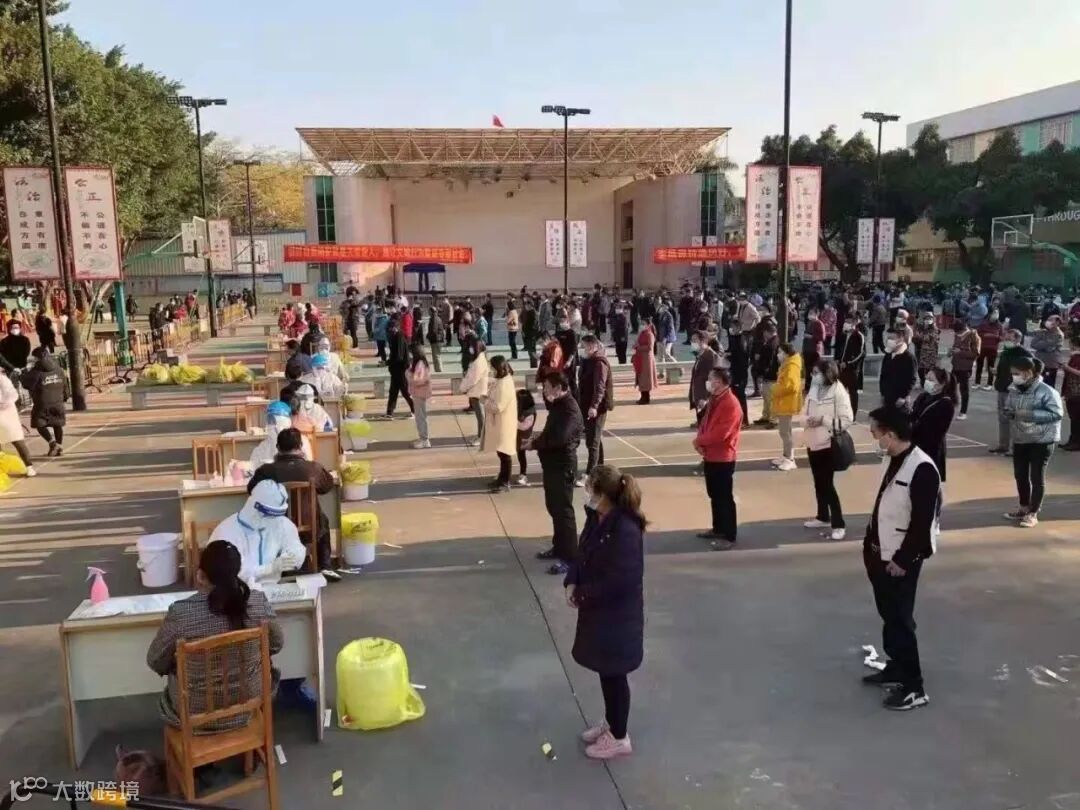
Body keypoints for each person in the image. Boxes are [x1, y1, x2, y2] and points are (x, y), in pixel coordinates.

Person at [147, 540, 284, 729]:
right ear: (237, 571)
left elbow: (155, 661)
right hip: (249, 705)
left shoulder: (181, 613)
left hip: (194, 714)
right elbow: (276, 644)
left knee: (173, 687)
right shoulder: (257, 603)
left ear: (201, 575)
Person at [564, 464, 645, 760]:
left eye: (590, 490)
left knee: (614, 674)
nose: (587, 495)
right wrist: (572, 581)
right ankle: (612, 722)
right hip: (600, 613)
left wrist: (583, 595)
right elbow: (582, 552)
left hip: (618, 616)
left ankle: (620, 737)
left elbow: (621, 580)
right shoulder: (597, 517)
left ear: (605, 494)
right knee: (605, 671)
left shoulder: (625, 529)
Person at [863, 404, 941, 711]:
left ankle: (914, 687)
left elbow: (923, 523)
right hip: (879, 553)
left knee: (901, 621)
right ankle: (895, 666)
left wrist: (903, 560)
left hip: (899, 560)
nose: (874, 438)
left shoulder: (922, 469)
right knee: (889, 616)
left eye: (875, 433)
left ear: (891, 435)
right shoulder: (893, 458)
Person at [248, 428, 337, 577]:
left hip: (275, 529)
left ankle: (269, 566)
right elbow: (327, 486)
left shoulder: (266, 471)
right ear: (301, 446)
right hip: (309, 528)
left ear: (277, 448)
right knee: (322, 519)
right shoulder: (313, 468)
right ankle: (325, 565)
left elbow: (252, 490)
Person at [529, 372, 584, 574]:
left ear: (559, 387)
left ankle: (570, 557)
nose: (544, 391)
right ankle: (559, 546)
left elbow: (560, 438)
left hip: (563, 466)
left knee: (564, 511)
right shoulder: (558, 405)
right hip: (552, 465)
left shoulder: (570, 408)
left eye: (547, 387)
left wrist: (535, 444)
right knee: (554, 507)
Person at [208, 479, 307, 584]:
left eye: (276, 516)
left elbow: (294, 546)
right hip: (235, 591)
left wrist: (293, 557)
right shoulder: (226, 532)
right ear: (254, 509)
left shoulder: (280, 523)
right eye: (269, 516)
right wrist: (269, 569)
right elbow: (229, 573)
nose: (273, 520)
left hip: (272, 588)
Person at [1003, 356, 1063, 528]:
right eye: (1013, 373)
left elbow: (1056, 414)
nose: (1014, 376)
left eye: (1017, 373)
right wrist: (1008, 412)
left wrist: (1027, 415)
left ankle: (1033, 512)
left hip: (1042, 440)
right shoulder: (1013, 389)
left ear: (1029, 373)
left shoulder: (1047, 391)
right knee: (1020, 475)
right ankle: (1023, 507)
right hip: (1021, 438)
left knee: (1036, 477)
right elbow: (1009, 406)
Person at [801, 359, 854, 539]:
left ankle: (838, 524)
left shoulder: (839, 392)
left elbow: (846, 420)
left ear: (827, 374)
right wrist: (806, 420)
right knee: (818, 482)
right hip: (813, 442)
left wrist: (823, 420)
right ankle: (822, 516)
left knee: (827, 484)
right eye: (813, 373)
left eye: (817, 373)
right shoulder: (814, 389)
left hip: (828, 443)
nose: (813, 376)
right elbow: (804, 411)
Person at [693, 367, 742, 547]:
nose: (708, 381)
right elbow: (706, 423)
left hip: (723, 457)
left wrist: (699, 441)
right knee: (714, 494)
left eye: (711, 378)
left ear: (719, 382)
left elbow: (722, 433)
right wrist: (701, 441)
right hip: (711, 455)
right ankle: (718, 527)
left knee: (724, 497)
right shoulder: (715, 399)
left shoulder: (731, 404)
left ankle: (729, 535)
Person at [988, 329, 1032, 455]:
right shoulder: (1005, 352)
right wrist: (996, 372)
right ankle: (1003, 445)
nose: (1006, 341)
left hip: (1014, 391)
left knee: (1014, 420)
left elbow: (1031, 371)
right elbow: (1003, 368)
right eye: (1006, 338)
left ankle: (1015, 447)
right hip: (1002, 388)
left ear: (1017, 339)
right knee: (1003, 419)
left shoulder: (1023, 353)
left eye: (1009, 338)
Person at [577, 334, 613, 484]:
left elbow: (600, 387)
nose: (582, 349)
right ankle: (600, 469)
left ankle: (590, 474)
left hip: (597, 408)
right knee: (594, 439)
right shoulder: (588, 361)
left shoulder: (599, 363)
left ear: (592, 346)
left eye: (584, 346)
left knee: (593, 442)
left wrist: (594, 406)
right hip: (586, 405)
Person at [910, 368, 957, 483]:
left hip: (931, 451)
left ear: (941, 384)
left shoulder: (946, 404)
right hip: (915, 447)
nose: (927, 382)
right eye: (926, 378)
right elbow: (913, 416)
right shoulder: (923, 396)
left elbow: (936, 433)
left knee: (927, 484)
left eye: (931, 379)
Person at [21, 347, 69, 457]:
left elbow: (27, 384)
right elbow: (65, 384)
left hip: (42, 403)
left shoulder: (36, 371)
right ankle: (59, 447)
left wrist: (23, 373)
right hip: (58, 402)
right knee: (57, 424)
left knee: (39, 423)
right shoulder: (58, 368)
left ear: (37, 358)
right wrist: (65, 396)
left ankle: (52, 443)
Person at [483, 356, 518, 493]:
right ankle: (501, 479)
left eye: (492, 367)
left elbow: (498, 407)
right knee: (501, 453)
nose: (491, 370)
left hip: (504, 424)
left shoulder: (504, 384)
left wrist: (485, 402)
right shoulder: (501, 381)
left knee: (505, 453)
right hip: (500, 422)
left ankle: (505, 481)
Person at [771, 342, 804, 471]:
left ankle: (790, 459)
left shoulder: (791, 366)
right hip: (784, 402)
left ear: (786, 353)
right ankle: (786, 455)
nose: (778, 354)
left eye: (780, 352)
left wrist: (775, 389)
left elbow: (791, 386)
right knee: (785, 431)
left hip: (787, 403)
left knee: (785, 432)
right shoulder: (788, 364)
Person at [252, 401, 312, 469]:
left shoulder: (301, 441)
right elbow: (253, 468)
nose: (270, 425)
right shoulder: (262, 447)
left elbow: (309, 466)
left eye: (273, 421)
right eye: (269, 421)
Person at [0, 370, 35, 476]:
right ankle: (3, 468)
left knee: (17, 441)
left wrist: (2, 404)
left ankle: (29, 466)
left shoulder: (3, 379)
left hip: (7, 414)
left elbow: (12, 395)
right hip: (6, 414)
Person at [384, 315, 414, 420]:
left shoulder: (399, 337)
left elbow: (399, 356)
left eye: (392, 328)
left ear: (396, 327)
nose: (390, 330)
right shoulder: (395, 337)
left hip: (401, 370)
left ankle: (415, 409)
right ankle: (389, 412)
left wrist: (388, 362)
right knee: (393, 392)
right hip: (395, 370)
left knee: (405, 391)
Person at [949, 319, 980, 420]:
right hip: (956, 366)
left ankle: (963, 412)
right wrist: (951, 352)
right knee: (950, 387)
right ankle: (951, 405)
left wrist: (960, 352)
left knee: (964, 390)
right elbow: (955, 347)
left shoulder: (973, 336)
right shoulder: (957, 335)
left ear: (964, 329)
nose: (957, 335)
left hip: (966, 368)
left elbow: (975, 354)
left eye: (958, 333)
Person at [835, 316, 865, 419]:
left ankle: (852, 415)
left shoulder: (859, 336)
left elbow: (861, 354)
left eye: (848, 322)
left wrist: (848, 363)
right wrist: (838, 359)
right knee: (840, 391)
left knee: (853, 394)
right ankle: (841, 412)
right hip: (842, 369)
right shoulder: (844, 335)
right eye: (845, 322)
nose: (845, 324)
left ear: (854, 323)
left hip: (852, 370)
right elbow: (839, 349)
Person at [879, 327, 917, 409]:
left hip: (900, 400)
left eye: (892, 338)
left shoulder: (909, 357)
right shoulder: (888, 355)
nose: (889, 341)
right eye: (888, 338)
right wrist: (882, 393)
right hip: (887, 396)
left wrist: (903, 396)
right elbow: (883, 375)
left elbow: (912, 379)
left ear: (901, 339)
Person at [461, 340, 490, 446]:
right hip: (477, 391)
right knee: (479, 416)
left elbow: (472, 379)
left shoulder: (479, 362)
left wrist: (463, 388)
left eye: (472, 347)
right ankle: (480, 436)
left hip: (478, 393)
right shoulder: (479, 360)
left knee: (481, 416)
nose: (471, 349)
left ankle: (482, 437)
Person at [689, 331, 720, 425]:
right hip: (699, 396)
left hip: (705, 399)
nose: (692, 343)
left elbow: (712, 379)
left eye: (695, 340)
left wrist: (706, 398)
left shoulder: (710, 356)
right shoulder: (700, 355)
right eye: (692, 340)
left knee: (706, 426)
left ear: (703, 341)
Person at [407, 344, 433, 449]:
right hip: (418, 392)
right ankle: (423, 438)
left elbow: (418, 380)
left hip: (419, 393)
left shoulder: (420, 364)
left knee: (420, 416)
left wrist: (408, 374)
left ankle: (424, 439)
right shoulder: (419, 363)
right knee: (420, 416)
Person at [1031, 315, 1066, 388]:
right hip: (1039, 362)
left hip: (1050, 364)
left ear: (1057, 322)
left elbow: (1049, 349)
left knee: (1048, 386)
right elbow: (1033, 344)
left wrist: (1041, 341)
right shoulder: (1042, 332)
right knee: (1037, 385)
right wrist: (1043, 342)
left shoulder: (1058, 335)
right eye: (1048, 320)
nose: (1048, 322)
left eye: (1051, 320)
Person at [975, 310, 1005, 391]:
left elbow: (1002, 337)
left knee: (990, 367)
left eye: (997, 313)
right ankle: (977, 382)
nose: (995, 315)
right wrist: (985, 335)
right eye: (994, 313)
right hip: (982, 348)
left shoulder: (999, 326)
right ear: (990, 314)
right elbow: (977, 334)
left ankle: (989, 384)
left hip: (993, 349)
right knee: (979, 366)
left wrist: (995, 337)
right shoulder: (983, 324)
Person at [1060, 333, 1080, 450]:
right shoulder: (1073, 357)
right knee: (1073, 418)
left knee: (1077, 418)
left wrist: (1067, 368)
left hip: (1077, 392)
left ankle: (1076, 443)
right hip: (1071, 391)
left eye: (1071, 344)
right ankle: (1072, 440)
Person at [631, 318, 657, 405]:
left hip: (647, 360)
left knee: (645, 379)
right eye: (641, 323)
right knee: (641, 378)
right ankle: (643, 397)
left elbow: (650, 347)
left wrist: (638, 347)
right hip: (641, 358)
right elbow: (638, 343)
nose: (642, 325)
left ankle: (646, 398)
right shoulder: (642, 333)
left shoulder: (650, 334)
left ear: (648, 325)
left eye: (644, 324)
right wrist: (635, 345)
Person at [515, 387, 537, 486]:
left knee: (521, 455)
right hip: (517, 435)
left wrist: (512, 421)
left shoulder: (530, 413)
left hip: (524, 437)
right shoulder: (519, 409)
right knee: (519, 454)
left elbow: (524, 427)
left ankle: (523, 474)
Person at [913, 313, 940, 387]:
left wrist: (920, 336)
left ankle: (928, 384)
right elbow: (915, 339)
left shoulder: (935, 329)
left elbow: (930, 338)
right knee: (920, 369)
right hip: (921, 352)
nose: (928, 320)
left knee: (929, 370)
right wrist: (916, 338)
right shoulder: (920, 328)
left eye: (929, 319)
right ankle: (923, 382)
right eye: (926, 319)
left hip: (930, 353)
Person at [610, 301, 629, 366]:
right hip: (617, 337)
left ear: (621, 309)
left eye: (618, 308)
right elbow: (614, 327)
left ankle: (623, 364)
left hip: (622, 337)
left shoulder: (623, 317)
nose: (617, 310)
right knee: (618, 351)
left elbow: (625, 328)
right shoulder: (616, 316)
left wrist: (623, 337)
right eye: (616, 308)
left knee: (622, 352)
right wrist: (613, 336)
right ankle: (620, 363)